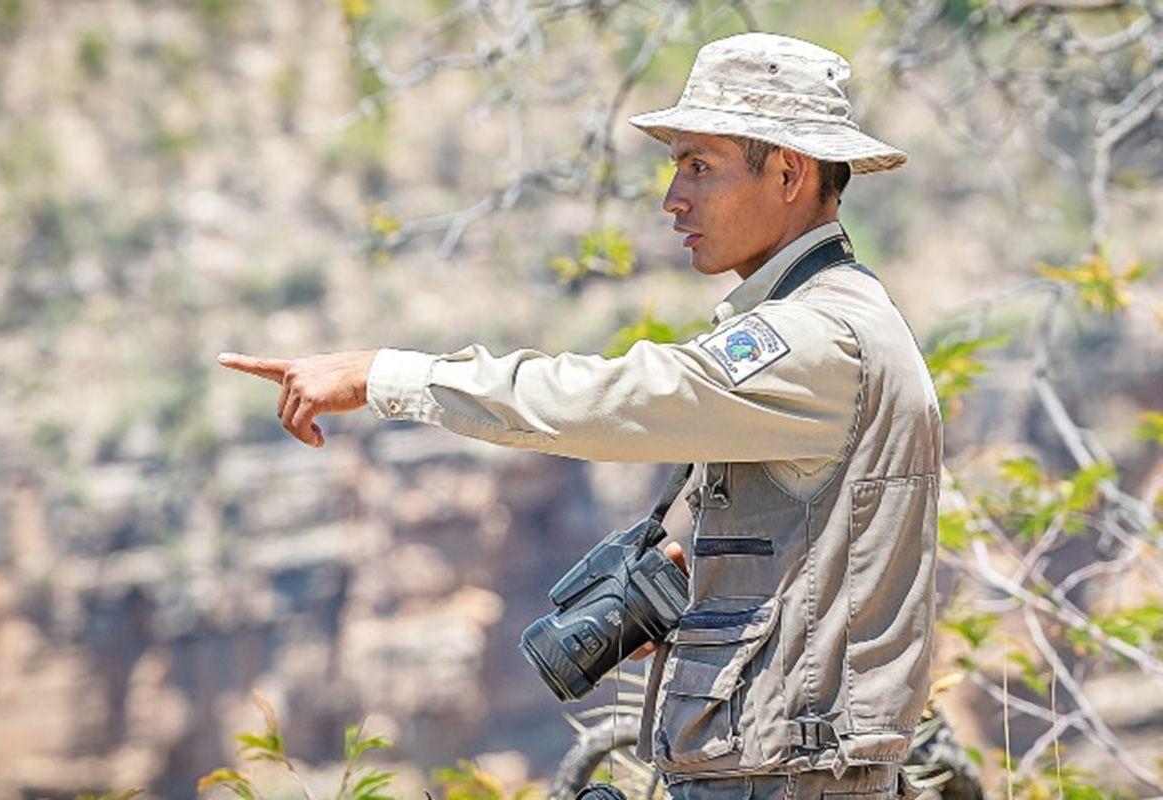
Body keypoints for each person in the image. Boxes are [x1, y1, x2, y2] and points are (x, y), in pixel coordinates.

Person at [218, 32, 941, 800]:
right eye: (676, 167)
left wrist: (384, 375)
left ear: (790, 173)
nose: (674, 198)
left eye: (700, 165)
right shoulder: (838, 318)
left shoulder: (813, 337)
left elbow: (612, 399)